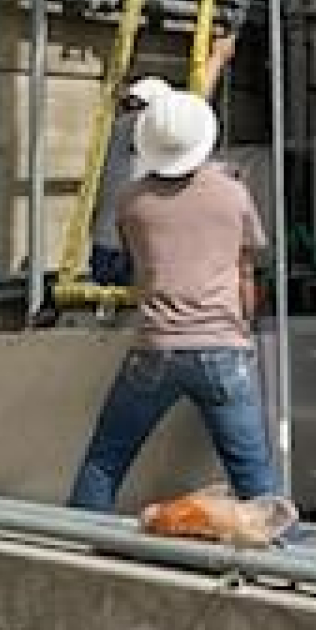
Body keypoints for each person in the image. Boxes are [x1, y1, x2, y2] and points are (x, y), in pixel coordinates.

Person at [69, 89, 279, 510]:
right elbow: (246, 267)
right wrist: (246, 328)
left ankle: (80, 545)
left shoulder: (133, 202)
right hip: (223, 348)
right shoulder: (233, 194)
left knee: (106, 459)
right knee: (255, 477)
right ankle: (290, 561)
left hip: (156, 348)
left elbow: (127, 261)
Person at [89, 34, 237, 285]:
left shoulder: (112, 132)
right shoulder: (152, 130)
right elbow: (195, 104)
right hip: (138, 256)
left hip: (102, 255)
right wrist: (218, 57)